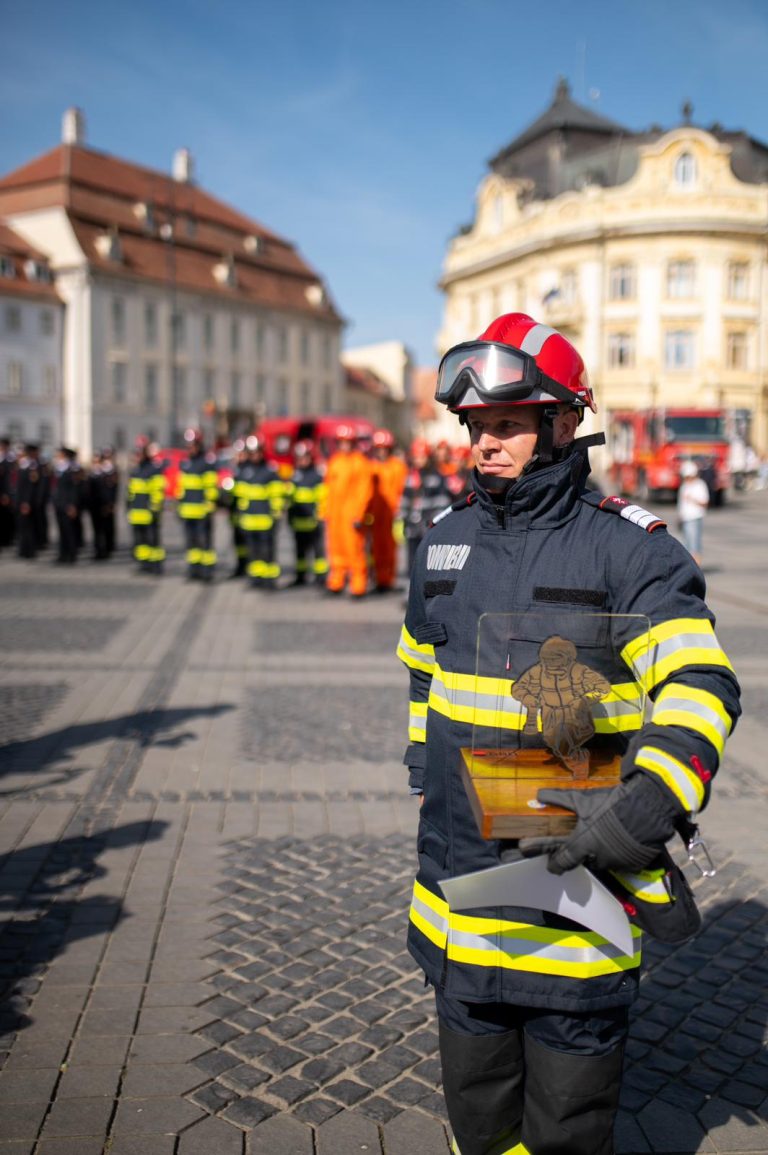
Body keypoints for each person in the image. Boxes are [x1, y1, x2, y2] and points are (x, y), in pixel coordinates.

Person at [396, 313, 741, 1155]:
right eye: (476, 426)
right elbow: (420, 665)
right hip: (460, 895)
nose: (485, 443)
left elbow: (702, 680)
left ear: (562, 422)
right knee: (479, 1123)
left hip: (572, 893)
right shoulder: (442, 543)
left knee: (565, 1128)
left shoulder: (630, 551)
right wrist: (420, 760)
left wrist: (654, 796)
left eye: (507, 424)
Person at [324, 425, 373, 598]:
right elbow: (328, 488)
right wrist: (325, 511)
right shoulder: (335, 461)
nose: (344, 446)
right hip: (336, 515)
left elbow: (364, 491)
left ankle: (358, 585)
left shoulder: (360, 462)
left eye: (348, 442)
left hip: (351, 514)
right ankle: (336, 581)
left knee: (355, 550)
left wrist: (359, 514)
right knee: (335, 549)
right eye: (341, 442)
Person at [233, 434, 284, 590]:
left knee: (267, 552)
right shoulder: (244, 470)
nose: (255, 455)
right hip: (249, 520)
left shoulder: (270, 471)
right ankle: (256, 578)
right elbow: (239, 494)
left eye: (257, 452)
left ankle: (270, 580)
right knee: (253, 553)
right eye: (252, 452)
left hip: (265, 520)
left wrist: (276, 514)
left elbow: (277, 494)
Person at [399, 439, 453, 577]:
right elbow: (405, 499)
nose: (418, 460)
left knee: (428, 559)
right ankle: (410, 588)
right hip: (412, 525)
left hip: (427, 525)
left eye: (421, 457)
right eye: (416, 457)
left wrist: (434, 521)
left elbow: (441, 502)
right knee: (412, 558)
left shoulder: (436, 476)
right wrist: (403, 518)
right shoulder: (411, 477)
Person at [368, 428, 408, 592]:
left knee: (390, 547)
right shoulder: (370, 467)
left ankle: (387, 580)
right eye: (379, 448)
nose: (382, 451)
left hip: (392, 514)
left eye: (385, 448)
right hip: (374, 514)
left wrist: (401, 510)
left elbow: (403, 489)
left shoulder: (398, 467)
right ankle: (376, 578)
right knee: (373, 548)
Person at [285, 440, 328, 586]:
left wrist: (320, 516)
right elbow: (290, 500)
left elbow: (323, 498)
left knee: (318, 553)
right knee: (300, 552)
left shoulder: (317, 476)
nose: (302, 461)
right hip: (298, 522)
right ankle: (301, 576)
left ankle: (321, 578)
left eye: (305, 457)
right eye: (300, 458)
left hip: (313, 522)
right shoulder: (294, 476)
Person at [177, 429, 218, 581]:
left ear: (199, 445)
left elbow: (211, 488)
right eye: (188, 446)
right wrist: (179, 506)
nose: (190, 448)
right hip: (188, 511)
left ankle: (207, 572)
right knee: (191, 544)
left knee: (205, 544)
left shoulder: (206, 463)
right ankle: (194, 571)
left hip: (202, 512)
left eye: (193, 445)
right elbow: (181, 488)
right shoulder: (185, 463)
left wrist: (208, 508)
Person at [126, 436, 166, 573]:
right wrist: (129, 509)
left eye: (140, 453)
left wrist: (155, 509)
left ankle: (156, 565)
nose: (137, 457)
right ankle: (144, 565)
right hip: (137, 513)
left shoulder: (153, 469)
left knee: (153, 540)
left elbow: (158, 491)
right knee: (140, 542)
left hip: (149, 512)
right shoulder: (135, 471)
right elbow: (130, 493)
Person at [52, 446, 83, 564]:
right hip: (59, 504)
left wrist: (73, 505)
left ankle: (72, 554)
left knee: (70, 530)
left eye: (59, 454)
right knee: (62, 531)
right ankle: (62, 554)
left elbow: (74, 489)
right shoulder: (59, 468)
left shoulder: (72, 469)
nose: (57, 456)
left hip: (68, 505)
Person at [677, 460, 709, 567]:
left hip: (695, 518)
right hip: (685, 518)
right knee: (686, 545)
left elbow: (705, 502)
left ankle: (697, 568)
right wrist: (680, 517)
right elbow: (681, 504)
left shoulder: (700, 485)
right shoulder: (684, 486)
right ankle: (688, 568)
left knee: (695, 545)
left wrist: (692, 499)